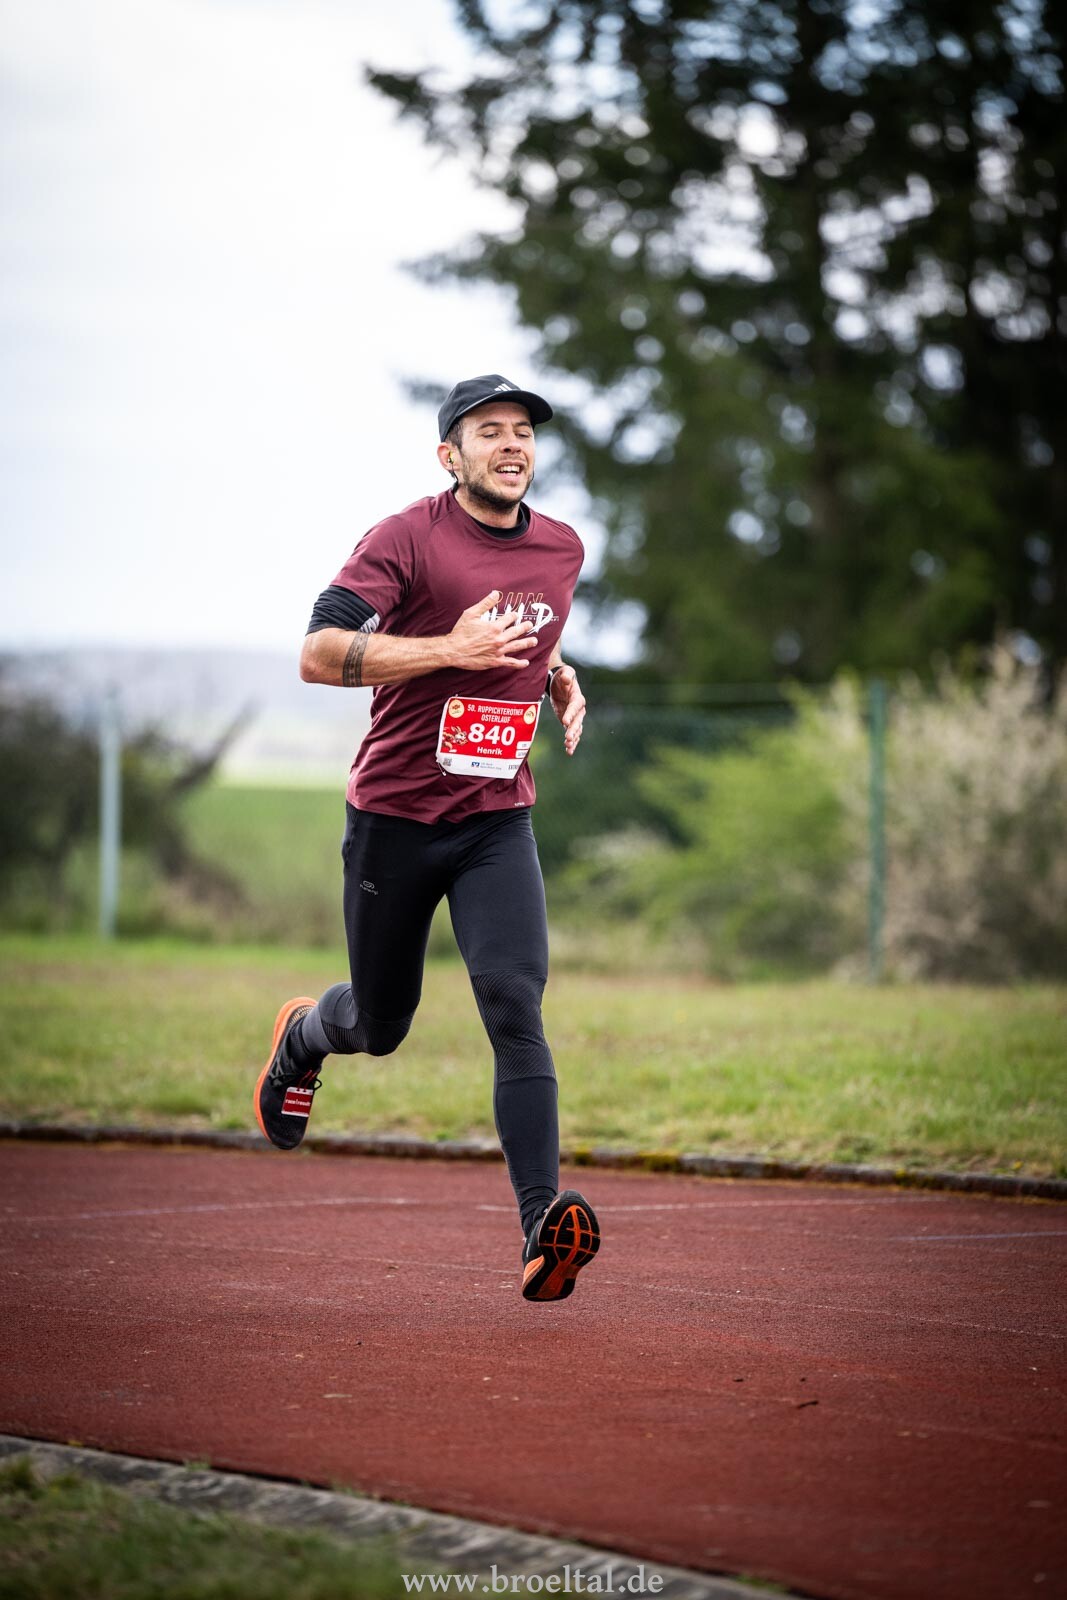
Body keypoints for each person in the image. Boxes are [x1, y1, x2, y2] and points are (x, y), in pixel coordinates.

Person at [253, 374, 600, 1303]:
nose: (512, 444)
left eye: (523, 430)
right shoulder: (405, 538)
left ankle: (540, 1230)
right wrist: (449, 648)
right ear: (450, 455)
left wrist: (554, 674)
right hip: (394, 821)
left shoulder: (562, 548)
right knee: (381, 1024)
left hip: (494, 820)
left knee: (513, 1003)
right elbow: (317, 653)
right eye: (489, 431)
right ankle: (304, 1037)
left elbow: (527, 637)